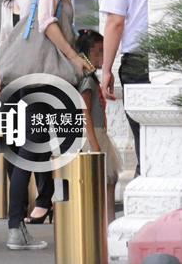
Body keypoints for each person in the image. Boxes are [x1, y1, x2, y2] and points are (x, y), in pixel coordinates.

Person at [4, 0, 93, 250]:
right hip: (49, 73)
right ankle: (62, 218)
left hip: (30, 73)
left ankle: (20, 225)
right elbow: (45, 21)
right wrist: (74, 56)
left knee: (34, 146)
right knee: (61, 140)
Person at [0, 0, 55, 225]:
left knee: (36, 140)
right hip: (10, 78)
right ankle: (19, 199)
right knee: (9, 140)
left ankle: (43, 199)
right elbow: (3, 40)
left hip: (34, 77)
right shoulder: (8, 3)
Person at [99, 0, 149, 177]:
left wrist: (106, 69)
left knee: (143, 135)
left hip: (138, 61)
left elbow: (115, 22)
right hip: (173, 60)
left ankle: (147, 183)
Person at [76, 29, 122, 224]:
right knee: (106, 181)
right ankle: (106, 222)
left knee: (109, 180)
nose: (103, 56)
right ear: (87, 53)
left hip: (97, 134)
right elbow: (84, 111)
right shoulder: (87, 79)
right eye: (99, 51)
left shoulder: (90, 78)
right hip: (92, 135)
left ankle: (107, 221)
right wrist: (94, 145)